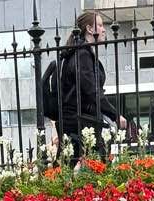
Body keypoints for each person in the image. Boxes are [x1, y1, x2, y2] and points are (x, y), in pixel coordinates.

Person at [44, 9, 134, 165]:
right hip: (81, 123)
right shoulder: (82, 54)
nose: (104, 29)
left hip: (71, 122)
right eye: (99, 25)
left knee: (65, 169)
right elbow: (92, 91)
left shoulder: (71, 53)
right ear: (89, 29)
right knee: (98, 166)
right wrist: (115, 115)